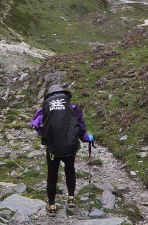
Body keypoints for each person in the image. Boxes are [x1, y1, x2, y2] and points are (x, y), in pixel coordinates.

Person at [29, 84, 93, 216]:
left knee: (52, 176)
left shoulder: (43, 110)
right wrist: (86, 138)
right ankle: (71, 198)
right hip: (70, 147)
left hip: (53, 149)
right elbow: (80, 127)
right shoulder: (73, 108)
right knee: (70, 171)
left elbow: (37, 127)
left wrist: (46, 137)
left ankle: (52, 206)